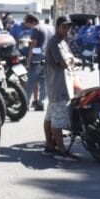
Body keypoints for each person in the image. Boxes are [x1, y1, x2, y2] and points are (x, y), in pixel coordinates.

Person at [43, 15, 79, 159]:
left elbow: (71, 60)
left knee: (50, 117)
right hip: (59, 86)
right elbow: (64, 63)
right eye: (64, 27)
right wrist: (71, 59)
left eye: (68, 27)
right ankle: (61, 149)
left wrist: (71, 59)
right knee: (56, 121)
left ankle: (49, 145)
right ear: (57, 27)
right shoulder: (54, 42)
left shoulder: (63, 42)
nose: (67, 30)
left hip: (60, 85)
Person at [25, 13, 52, 111]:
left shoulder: (36, 29)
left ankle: (25, 103)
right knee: (44, 82)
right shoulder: (50, 28)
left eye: (28, 24)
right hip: (48, 58)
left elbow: (33, 45)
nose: (28, 27)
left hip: (37, 58)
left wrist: (28, 60)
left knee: (30, 82)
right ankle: (42, 103)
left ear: (32, 22)